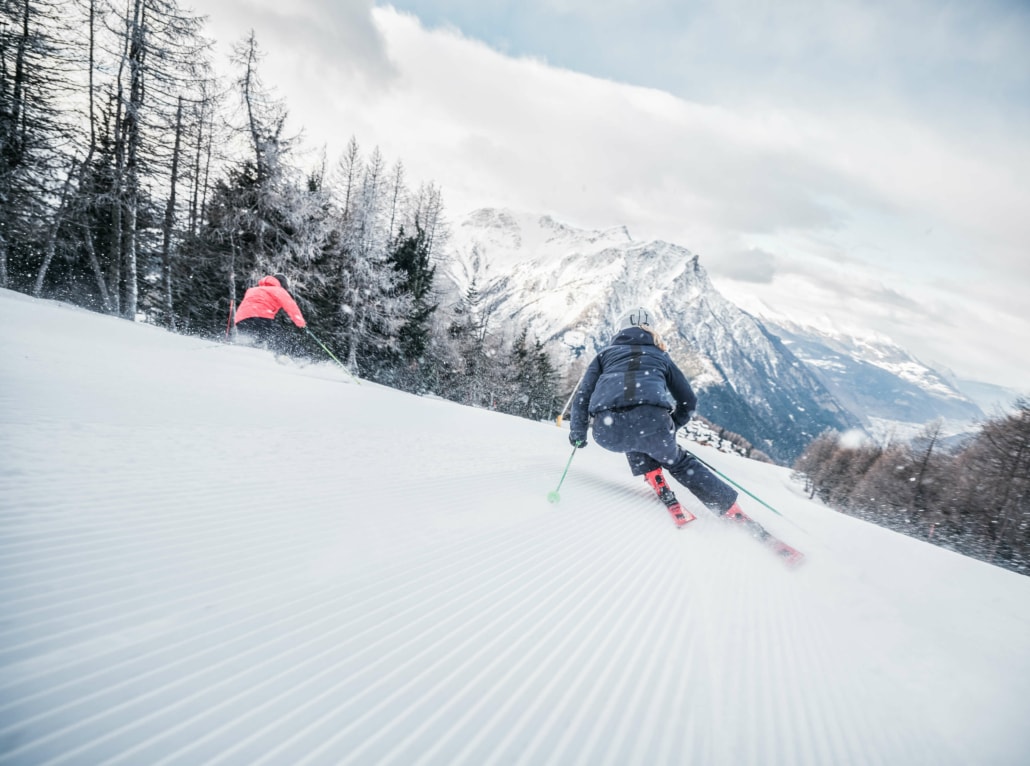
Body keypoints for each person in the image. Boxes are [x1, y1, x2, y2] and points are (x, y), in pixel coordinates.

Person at [568, 306, 743, 527]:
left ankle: (652, 474)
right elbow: (689, 402)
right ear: (652, 331)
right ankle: (729, 508)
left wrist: (578, 432)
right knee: (677, 461)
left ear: (620, 330)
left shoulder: (603, 356)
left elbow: (583, 397)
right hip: (654, 426)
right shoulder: (661, 355)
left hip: (607, 432)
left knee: (631, 432)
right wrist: (670, 428)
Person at [234, 274, 307, 355]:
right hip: (261, 317)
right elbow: (291, 306)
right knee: (279, 337)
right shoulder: (278, 290)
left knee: (253, 338)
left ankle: (247, 354)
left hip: (241, 319)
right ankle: (279, 357)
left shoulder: (253, 289)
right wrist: (300, 323)